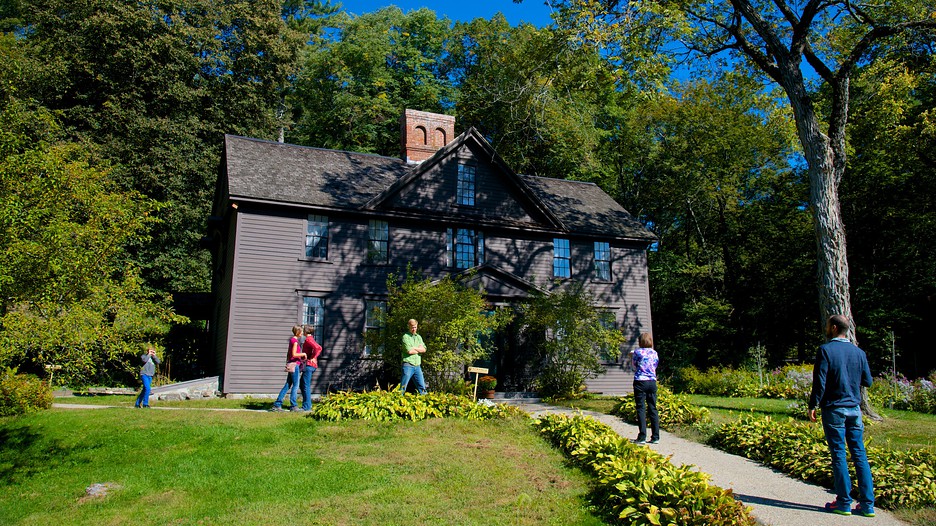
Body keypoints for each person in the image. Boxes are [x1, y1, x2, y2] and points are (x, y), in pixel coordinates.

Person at [808, 315, 875, 517]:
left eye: (828, 325)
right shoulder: (859, 353)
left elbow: (820, 382)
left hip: (834, 408)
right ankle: (867, 505)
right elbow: (868, 381)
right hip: (854, 409)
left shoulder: (825, 350)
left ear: (835, 328)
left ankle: (844, 502)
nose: (826, 328)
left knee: (838, 454)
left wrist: (813, 405)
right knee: (859, 454)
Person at [630, 332, 659, 444]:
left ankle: (642, 436)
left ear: (640, 342)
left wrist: (631, 357)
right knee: (653, 408)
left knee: (641, 408)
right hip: (652, 381)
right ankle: (655, 436)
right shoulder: (654, 353)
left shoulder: (637, 352)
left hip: (640, 381)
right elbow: (655, 365)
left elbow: (634, 367)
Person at [270, 326, 306, 412]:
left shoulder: (292, 340)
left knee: (287, 385)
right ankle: (293, 406)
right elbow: (294, 354)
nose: (302, 333)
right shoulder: (295, 342)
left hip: (291, 364)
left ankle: (277, 404)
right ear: (297, 332)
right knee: (295, 385)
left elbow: (289, 354)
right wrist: (303, 354)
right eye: (301, 331)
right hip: (294, 365)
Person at [299, 325, 323, 411]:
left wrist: (313, 357)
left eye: (303, 330)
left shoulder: (309, 339)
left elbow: (318, 348)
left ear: (305, 331)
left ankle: (307, 406)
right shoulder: (310, 339)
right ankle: (306, 404)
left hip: (309, 365)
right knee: (302, 384)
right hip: (309, 364)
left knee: (305, 385)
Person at [400, 319, 427, 394]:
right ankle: (398, 399)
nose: (414, 329)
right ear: (409, 326)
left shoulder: (419, 337)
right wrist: (419, 349)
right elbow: (409, 351)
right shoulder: (405, 337)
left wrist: (414, 348)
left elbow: (424, 349)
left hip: (417, 366)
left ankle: (425, 400)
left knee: (422, 387)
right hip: (408, 365)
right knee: (403, 387)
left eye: (415, 327)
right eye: (412, 327)